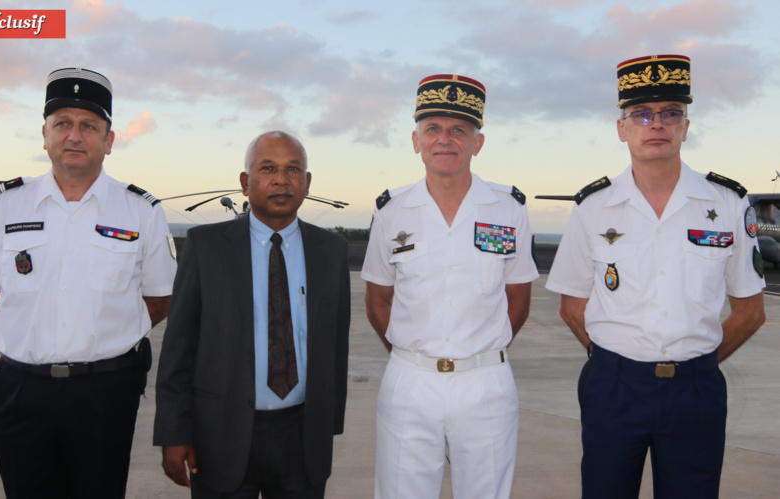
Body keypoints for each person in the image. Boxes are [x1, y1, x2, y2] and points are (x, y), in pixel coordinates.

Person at [546, 54, 766, 498]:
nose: (657, 124)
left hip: (697, 392)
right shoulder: (594, 207)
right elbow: (572, 307)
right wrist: (622, 362)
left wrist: (693, 363)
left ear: (686, 126)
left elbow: (751, 310)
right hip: (614, 390)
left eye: (671, 113)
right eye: (641, 114)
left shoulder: (727, 204)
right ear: (622, 127)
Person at [0, 67, 177, 498]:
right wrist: (28, 329)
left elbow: (158, 299)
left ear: (109, 141)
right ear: (45, 135)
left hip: (104, 393)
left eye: (88, 125)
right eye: (63, 124)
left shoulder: (141, 212)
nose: (74, 136)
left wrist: (100, 339)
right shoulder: (5, 204)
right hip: (20, 390)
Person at [361, 74, 539, 498]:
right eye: (433, 129)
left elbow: (519, 299)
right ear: (416, 139)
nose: (446, 139)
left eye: (459, 129)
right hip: (410, 382)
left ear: (477, 142)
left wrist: (479, 352)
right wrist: (411, 354)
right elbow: (378, 299)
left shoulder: (507, 208)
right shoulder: (392, 210)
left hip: (485, 383)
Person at [154, 131, 350, 498]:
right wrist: (174, 432)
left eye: (293, 168)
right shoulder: (205, 247)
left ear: (307, 183)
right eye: (267, 168)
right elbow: (178, 347)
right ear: (246, 183)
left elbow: (337, 346)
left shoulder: (331, 251)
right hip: (220, 435)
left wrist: (328, 426)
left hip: (303, 435)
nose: (281, 179)